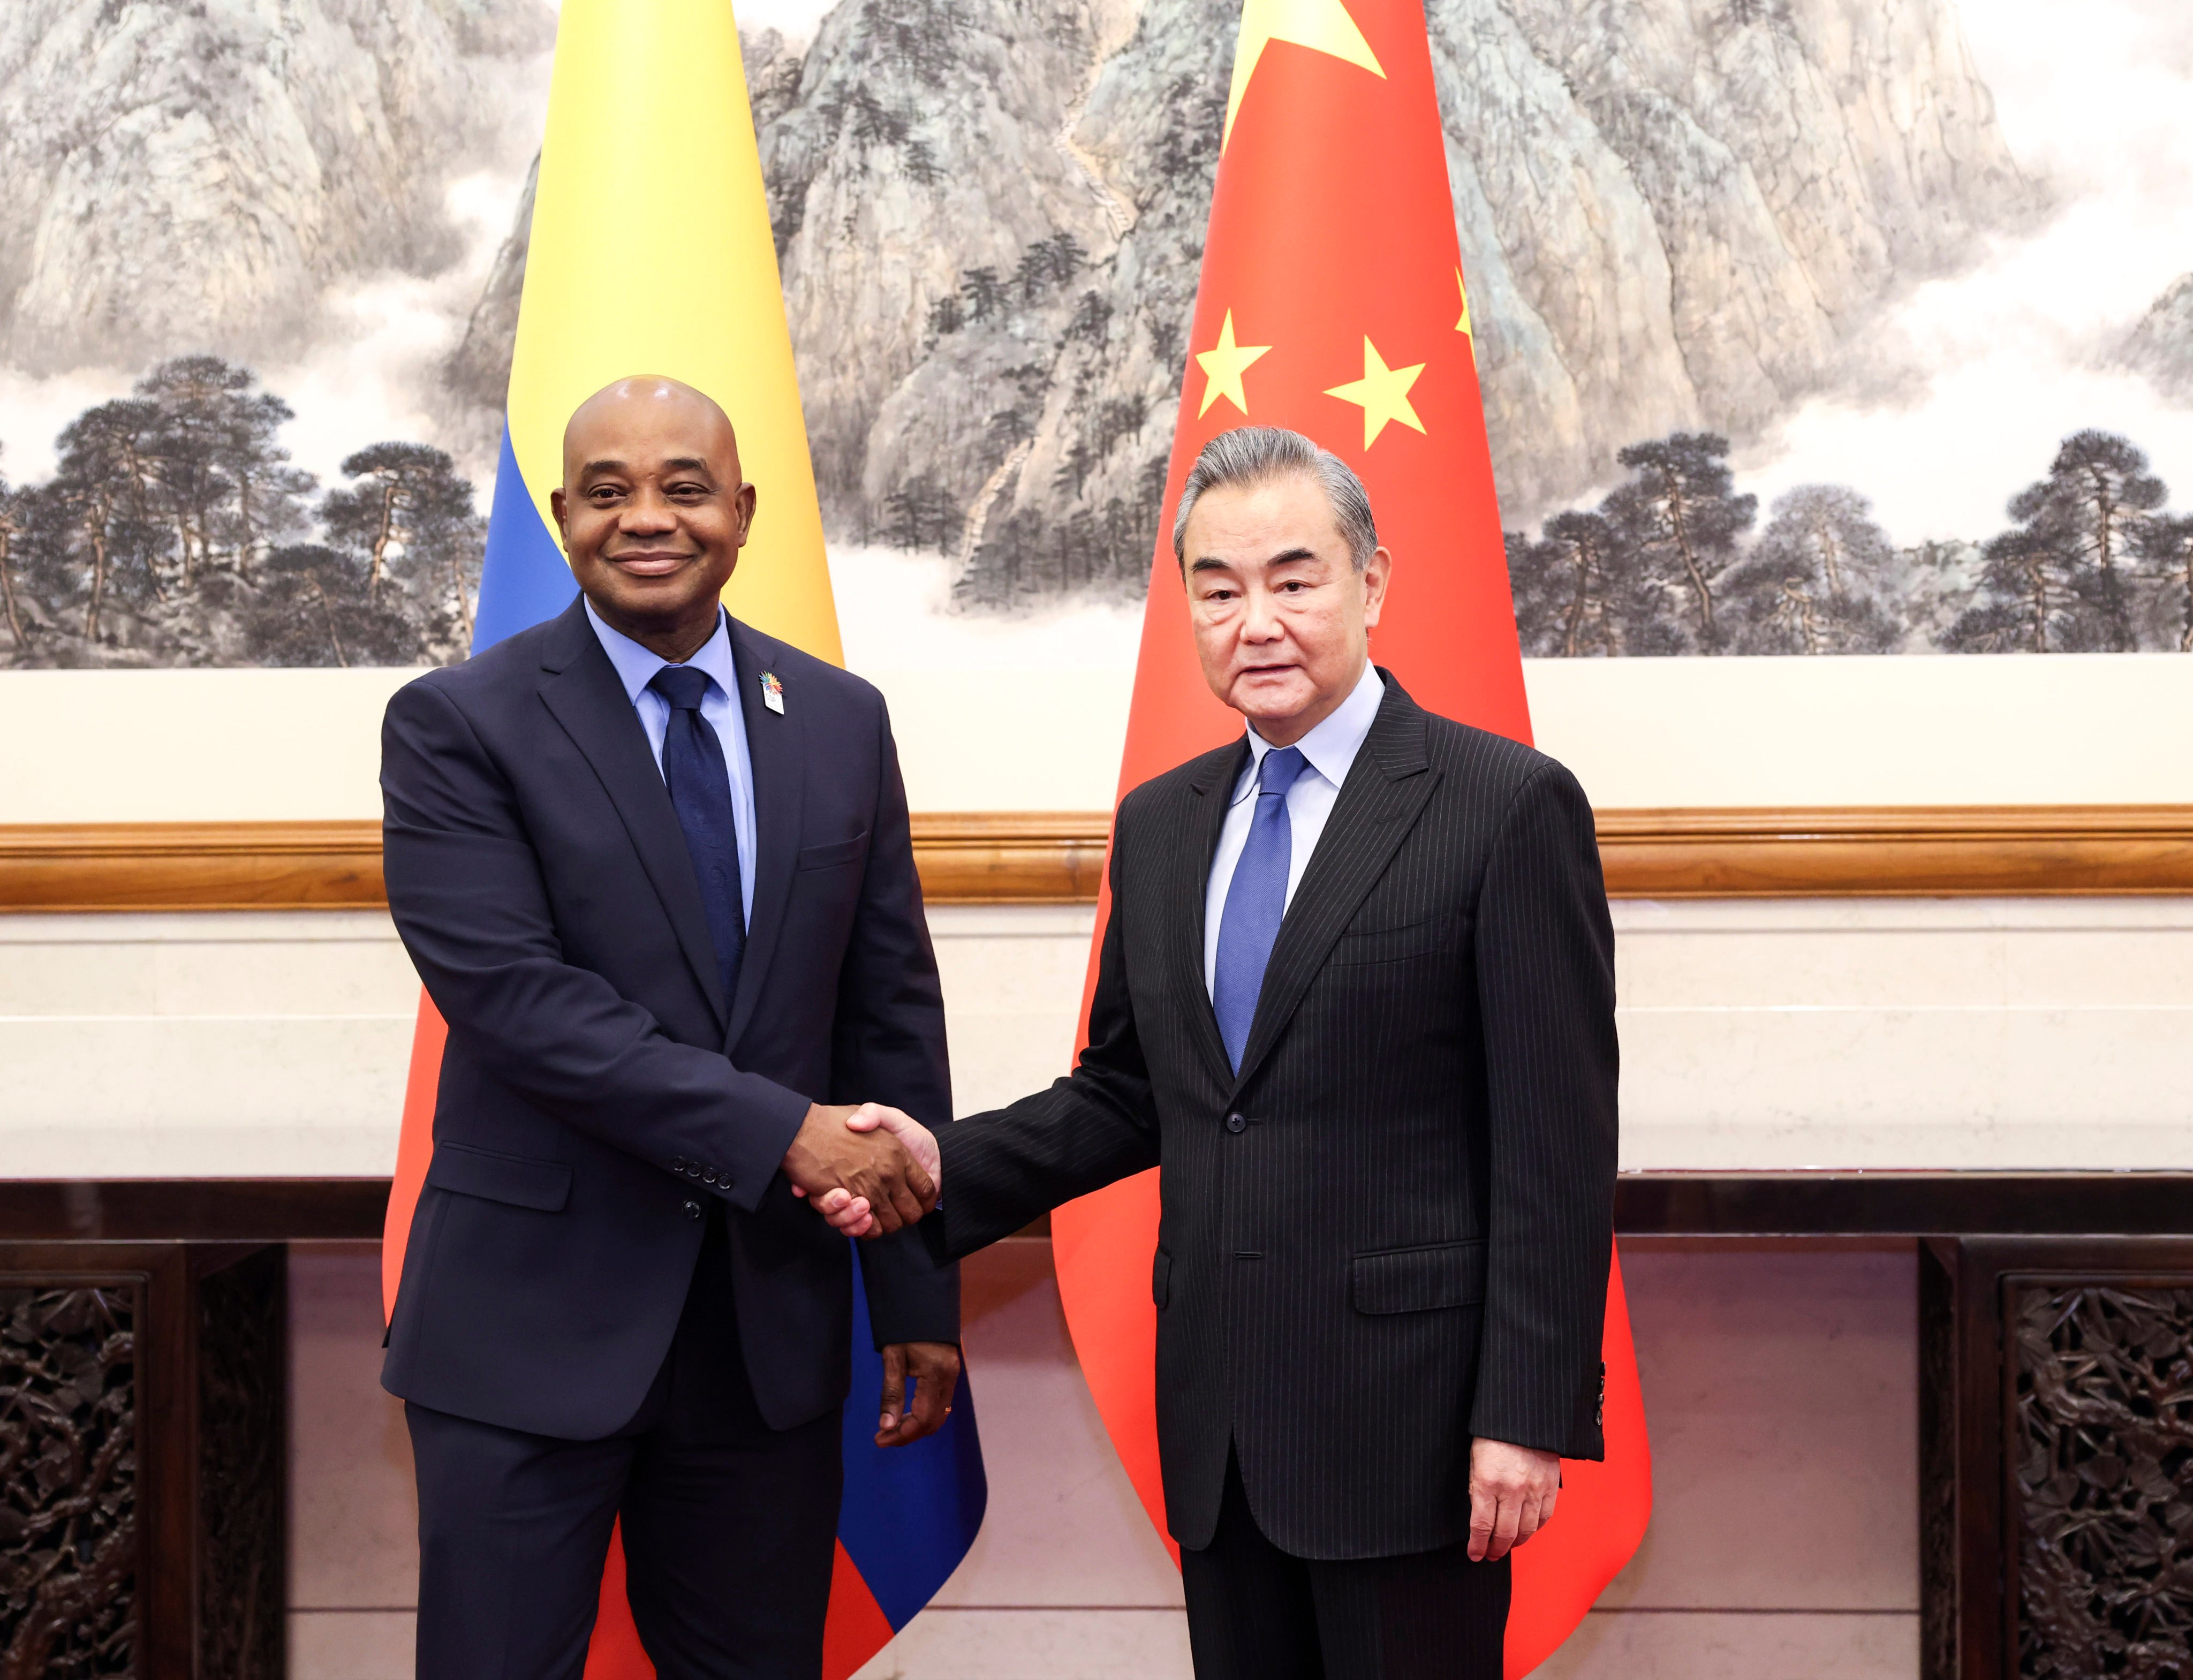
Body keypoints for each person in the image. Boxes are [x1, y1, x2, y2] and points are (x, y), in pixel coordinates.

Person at [822, 426, 1618, 1680]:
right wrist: (937, 1166)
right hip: (1220, 1429)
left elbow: (1553, 1148)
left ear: (1372, 584)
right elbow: (1131, 1091)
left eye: (1293, 579)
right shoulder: (1162, 825)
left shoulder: (1501, 806)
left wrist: (1522, 1418)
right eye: (1218, 588)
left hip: (1415, 1432)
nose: (1257, 621)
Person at [379, 375, 954, 1680]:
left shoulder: (841, 724)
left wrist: (917, 1293)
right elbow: (524, 1008)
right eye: (608, 491)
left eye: (684, 487)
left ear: (742, 512)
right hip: (526, 1336)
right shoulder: (459, 724)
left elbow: (888, 1019)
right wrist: (786, 1136)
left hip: (763, 1340)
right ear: (559, 511)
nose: (648, 517)